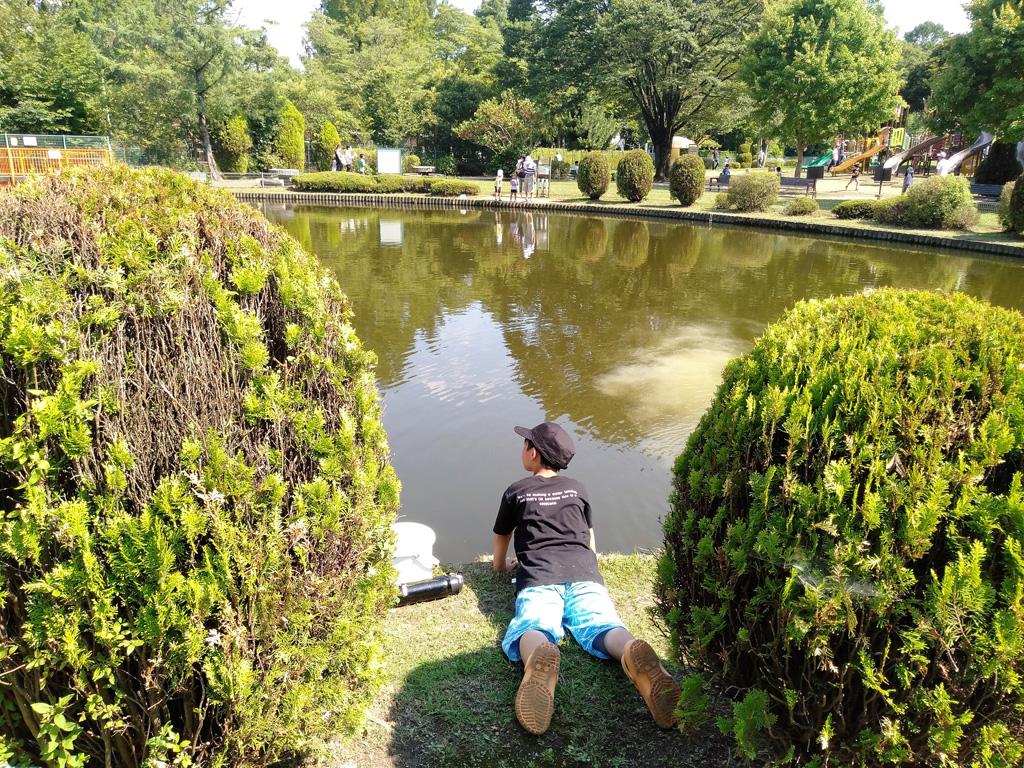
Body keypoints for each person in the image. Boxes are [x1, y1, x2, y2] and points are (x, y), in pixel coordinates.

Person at [493, 422, 681, 736]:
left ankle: (538, 656)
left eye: (525, 443)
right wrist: (589, 567)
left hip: (540, 575)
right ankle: (629, 649)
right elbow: (589, 537)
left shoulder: (517, 490)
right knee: (602, 623)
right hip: (584, 573)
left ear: (533, 453)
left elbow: (503, 535)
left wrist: (501, 567)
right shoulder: (577, 488)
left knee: (533, 624)